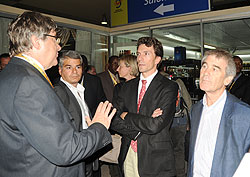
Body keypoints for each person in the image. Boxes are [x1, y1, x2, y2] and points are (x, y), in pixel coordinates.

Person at [0, 11, 116, 177]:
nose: (59, 47)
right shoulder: (28, 83)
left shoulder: (11, 75)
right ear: (36, 41)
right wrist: (100, 126)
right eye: (55, 40)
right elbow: (65, 149)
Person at [111, 37, 178, 177]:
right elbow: (113, 119)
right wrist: (137, 131)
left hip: (155, 159)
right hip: (128, 152)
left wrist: (127, 116)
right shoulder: (126, 87)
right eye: (138, 54)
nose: (140, 58)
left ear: (158, 59)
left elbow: (156, 125)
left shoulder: (169, 87)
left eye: (146, 54)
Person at [188, 49, 250, 177]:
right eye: (204, 66)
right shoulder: (196, 110)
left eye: (214, 69)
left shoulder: (244, 114)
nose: (206, 73)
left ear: (227, 79)